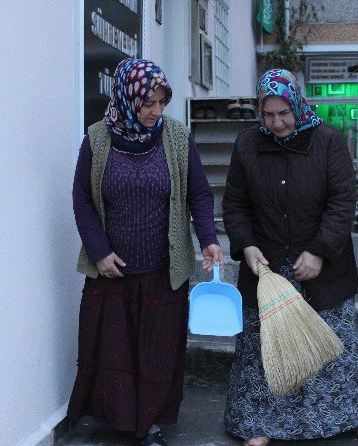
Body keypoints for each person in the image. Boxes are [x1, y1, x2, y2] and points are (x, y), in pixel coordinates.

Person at [67, 57, 223, 446]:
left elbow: (199, 194)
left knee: (158, 349)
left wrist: (208, 239)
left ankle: (149, 424)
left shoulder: (176, 136)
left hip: (162, 268)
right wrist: (99, 252)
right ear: (127, 96)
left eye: (161, 103)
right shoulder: (97, 139)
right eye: (148, 103)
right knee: (114, 348)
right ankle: (120, 420)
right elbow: (83, 200)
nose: (155, 111)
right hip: (112, 271)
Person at [222, 68, 358, 446]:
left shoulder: (327, 142)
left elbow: (342, 201)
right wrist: (246, 244)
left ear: (297, 104)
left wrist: (319, 251)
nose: (277, 122)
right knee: (265, 353)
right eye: (268, 114)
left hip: (320, 269)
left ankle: (326, 423)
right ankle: (262, 425)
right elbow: (235, 204)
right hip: (267, 268)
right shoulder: (247, 145)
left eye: (283, 113)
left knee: (321, 347)